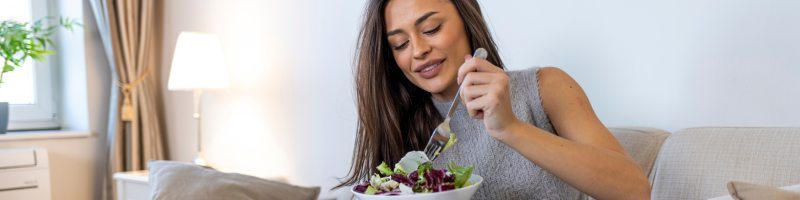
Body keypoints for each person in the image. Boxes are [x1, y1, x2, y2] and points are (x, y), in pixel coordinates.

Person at [337, 0, 651, 199]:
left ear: (466, 19)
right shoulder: (398, 123)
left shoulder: (544, 88)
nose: (418, 50)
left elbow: (635, 190)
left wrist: (510, 128)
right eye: (401, 43)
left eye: (431, 29)